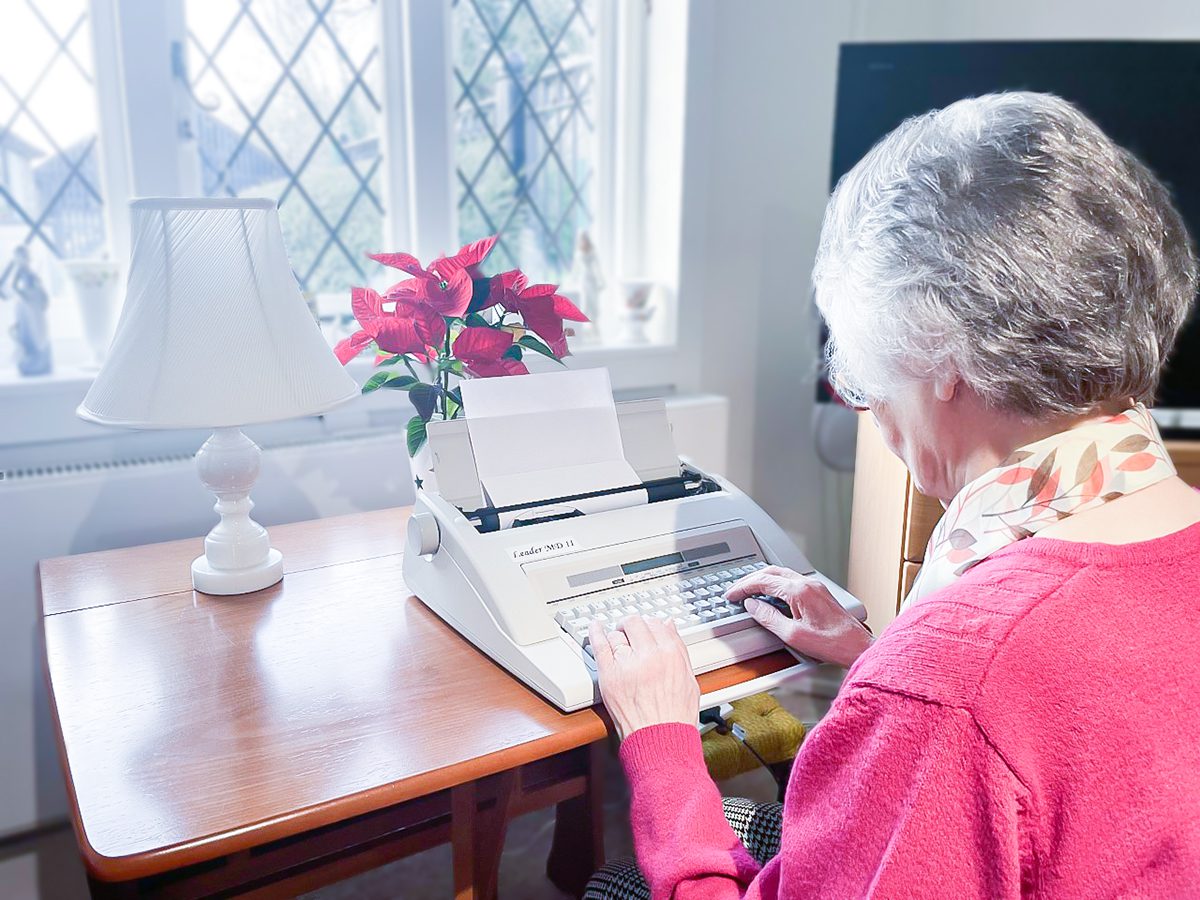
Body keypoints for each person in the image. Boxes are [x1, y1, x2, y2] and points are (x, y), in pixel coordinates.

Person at [583, 92, 1200, 898]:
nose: (872, 414)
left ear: (939, 349)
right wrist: (875, 659)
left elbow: (984, 707)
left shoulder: (949, 683)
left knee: (619, 880)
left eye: (866, 377)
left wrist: (661, 739)